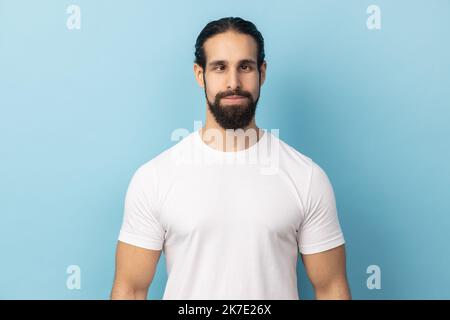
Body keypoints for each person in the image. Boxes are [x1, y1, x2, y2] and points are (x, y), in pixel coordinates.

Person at [110, 17, 351, 300]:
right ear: (200, 75)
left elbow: (331, 287)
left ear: (262, 73)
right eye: (220, 67)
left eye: (245, 67)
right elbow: (131, 289)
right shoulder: (154, 178)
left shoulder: (306, 176)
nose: (233, 82)